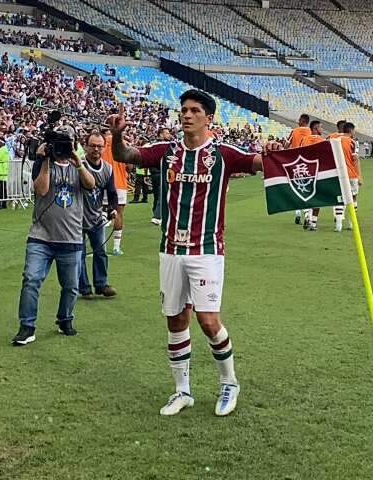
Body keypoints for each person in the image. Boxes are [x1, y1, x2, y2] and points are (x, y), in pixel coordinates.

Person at [109, 89, 275, 417]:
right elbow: (125, 155)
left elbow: (258, 162)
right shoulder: (166, 151)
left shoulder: (224, 153)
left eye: (194, 110)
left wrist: (270, 153)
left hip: (207, 250)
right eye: (183, 109)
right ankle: (182, 391)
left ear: (209, 118)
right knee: (175, 319)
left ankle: (229, 383)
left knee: (208, 320)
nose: (186, 115)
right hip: (170, 249)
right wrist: (116, 135)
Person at [12, 126, 96, 346]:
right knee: (31, 279)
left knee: (71, 286)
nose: (63, 148)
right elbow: (41, 190)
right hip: (41, 236)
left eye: (67, 143)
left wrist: (78, 164)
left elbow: (91, 184)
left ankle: (65, 318)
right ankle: (27, 326)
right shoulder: (42, 164)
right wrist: (46, 159)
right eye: (60, 143)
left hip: (71, 237)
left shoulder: (80, 166)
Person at [79, 132, 119, 298]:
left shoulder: (107, 168)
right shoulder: (78, 165)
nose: (96, 149)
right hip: (76, 218)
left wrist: (112, 208)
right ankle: (84, 287)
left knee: (100, 251)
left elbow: (112, 192)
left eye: (99, 146)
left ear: (104, 148)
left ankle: (101, 284)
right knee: (78, 253)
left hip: (96, 216)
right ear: (86, 146)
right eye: (93, 145)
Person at [103, 128, 129, 255]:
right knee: (118, 214)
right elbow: (130, 166)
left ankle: (100, 246)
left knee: (100, 213)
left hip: (104, 183)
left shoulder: (102, 144)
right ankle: (116, 247)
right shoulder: (123, 144)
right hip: (120, 183)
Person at [334, 122, 362, 232]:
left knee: (340, 198)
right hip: (351, 174)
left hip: (339, 174)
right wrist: (359, 176)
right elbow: (355, 160)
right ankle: (351, 223)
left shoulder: (335, 141)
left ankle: (339, 225)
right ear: (350, 131)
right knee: (353, 197)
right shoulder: (352, 142)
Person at [285, 113, 311, 225]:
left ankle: (298, 213)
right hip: (308, 163)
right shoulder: (311, 132)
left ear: (301, 120)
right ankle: (307, 214)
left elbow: (286, 145)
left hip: (295, 163)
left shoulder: (294, 131)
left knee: (296, 187)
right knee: (307, 188)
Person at [300, 120, 325, 231]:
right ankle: (313, 222)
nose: (322, 129)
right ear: (315, 128)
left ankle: (307, 216)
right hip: (318, 171)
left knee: (305, 195)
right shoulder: (322, 140)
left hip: (305, 171)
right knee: (318, 197)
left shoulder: (304, 140)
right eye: (321, 127)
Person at [150, 127, 171, 225]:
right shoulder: (161, 147)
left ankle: (156, 213)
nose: (169, 135)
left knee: (157, 194)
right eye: (166, 133)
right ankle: (157, 216)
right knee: (161, 194)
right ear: (161, 134)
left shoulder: (153, 144)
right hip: (160, 172)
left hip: (154, 172)